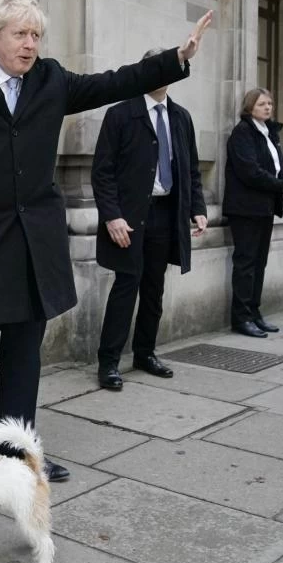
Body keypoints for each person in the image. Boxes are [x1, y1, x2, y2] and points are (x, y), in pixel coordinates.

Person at [0, 0, 212, 481]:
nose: (29, 45)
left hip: (34, 247)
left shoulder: (51, 78)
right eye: (20, 34)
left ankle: (16, 455)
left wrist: (175, 59)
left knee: (24, 362)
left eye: (36, 35)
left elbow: (115, 82)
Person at [91, 49, 208, 390]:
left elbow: (191, 170)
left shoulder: (181, 117)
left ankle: (145, 353)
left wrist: (196, 208)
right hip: (129, 219)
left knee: (154, 289)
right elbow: (102, 173)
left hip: (166, 214)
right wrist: (112, 216)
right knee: (126, 287)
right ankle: (109, 362)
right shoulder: (120, 114)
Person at [223, 88, 283, 338]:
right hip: (245, 208)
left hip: (264, 207)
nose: (268, 107)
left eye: (270, 103)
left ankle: (254, 313)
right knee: (245, 263)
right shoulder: (242, 133)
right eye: (262, 104)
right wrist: (281, 185)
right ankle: (241, 318)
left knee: (259, 263)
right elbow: (250, 171)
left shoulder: (270, 132)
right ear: (250, 107)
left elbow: (280, 163)